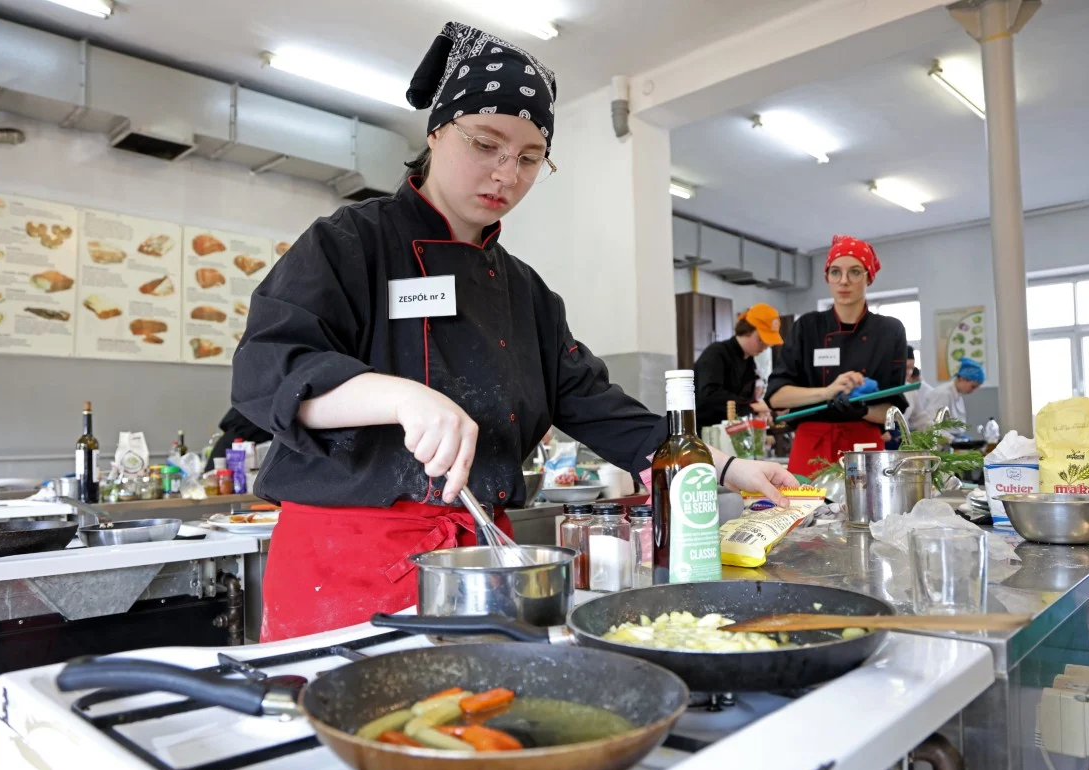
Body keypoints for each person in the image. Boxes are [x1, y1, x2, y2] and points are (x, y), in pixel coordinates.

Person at [230, 22, 797, 642]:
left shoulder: (526, 292)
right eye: (486, 144)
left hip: (476, 564)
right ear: (437, 130)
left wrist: (719, 467)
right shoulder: (349, 243)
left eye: (529, 158)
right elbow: (268, 369)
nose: (507, 174)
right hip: (343, 569)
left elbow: (599, 407)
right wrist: (397, 395)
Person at [767, 235, 908, 476]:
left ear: (868, 277)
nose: (844, 281)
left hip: (863, 447)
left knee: (868, 513)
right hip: (811, 445)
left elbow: (892, 413)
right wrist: (826, 393)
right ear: (827, 277)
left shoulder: (889, 331)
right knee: (805, 512)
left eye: (855, 272)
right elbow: (776, 398)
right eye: (835, 272)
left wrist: (860, 409)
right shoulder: (807, 327)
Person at [693, 303, 783, 427]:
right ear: (747, 331)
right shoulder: (716, 353)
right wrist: (751, 406)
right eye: (761, 340)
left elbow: (746, 399)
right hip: (705, 429)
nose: (765, 346)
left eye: (768, 343)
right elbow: (710, 395)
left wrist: (756, 410)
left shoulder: (749, 361)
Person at [915, 357, 984, 429]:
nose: (973, 391)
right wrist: (949, 438)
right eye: (973, 386)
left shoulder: (957, 394)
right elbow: (933, 424)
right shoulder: (943, 393)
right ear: (962, 379)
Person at [903, 347, 935, 429]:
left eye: (911, 367)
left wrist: (940, 434)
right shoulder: (881, 387)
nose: (909, 372)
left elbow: (919, 419)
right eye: (906, 367)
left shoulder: (910, 391)